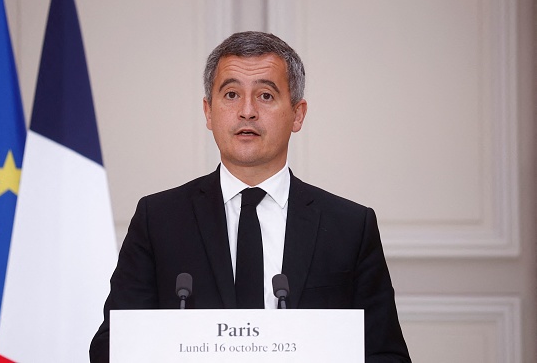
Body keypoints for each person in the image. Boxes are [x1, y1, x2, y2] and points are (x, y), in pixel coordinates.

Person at [90, 31, 411, 362]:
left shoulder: (349, 227)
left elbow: (385, 354)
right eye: (230, 94)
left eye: (266, 96)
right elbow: (111, 346)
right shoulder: (158, 220)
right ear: (209, 112)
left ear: (298, 114)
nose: (247, 111)